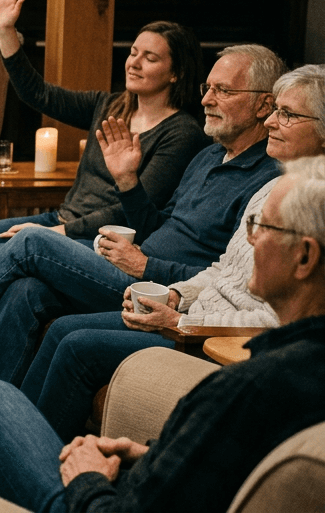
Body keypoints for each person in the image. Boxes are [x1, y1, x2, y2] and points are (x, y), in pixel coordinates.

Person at [0, 43, 282, 406]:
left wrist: (148, 268)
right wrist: (128, 183)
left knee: (32, 245)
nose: (206, 98)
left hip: (158, 290)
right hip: (130, 263)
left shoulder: (267, 181)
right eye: (207, 88)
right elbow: (159, 223)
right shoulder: (208, 155)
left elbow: (224, 277)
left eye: (222, 91)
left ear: (264, 103)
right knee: (26, 289)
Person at [0, 155, 325, 513]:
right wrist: (146, 454)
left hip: (95, 501)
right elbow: (210, 467)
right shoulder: (301, 367)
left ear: (305, 256)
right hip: (137, 480)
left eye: (261, 227)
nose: (249, 239)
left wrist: (87, 478)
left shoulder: (250, 387)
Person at [22, 64, 325, 441]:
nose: (271, 123)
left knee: (37, 255)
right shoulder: (272, 184)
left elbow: (278, 321)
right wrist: (177, 295)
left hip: (209, 337)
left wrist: (180, 321)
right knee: (41, 300)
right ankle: (16, 439)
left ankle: (28, 454)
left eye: (288, 114)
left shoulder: (310, 202)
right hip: (183, 304)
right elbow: (222, 269)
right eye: (276, 110)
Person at [0, 0, 208, 303]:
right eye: (133, 52)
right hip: (61, 218)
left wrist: (55, 233)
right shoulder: (109, 105)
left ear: (175, 72)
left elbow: (128, 211)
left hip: (100, 238)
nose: (134, 62)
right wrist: (6, 31)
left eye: (150, 58)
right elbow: (37, 93)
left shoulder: (181, 134)